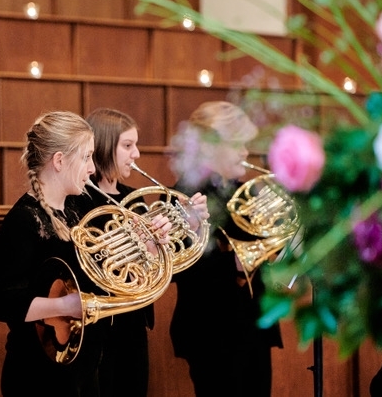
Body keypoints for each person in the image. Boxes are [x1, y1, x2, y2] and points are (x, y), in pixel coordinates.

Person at [77, 107, 209, 397]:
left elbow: (167, 267)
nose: (136, 154)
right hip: (97, 330)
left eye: (135, 145)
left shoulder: (130, 199)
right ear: (102, 146)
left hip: (133, 325)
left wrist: (192, 225)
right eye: (127, 146)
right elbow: (87, 263)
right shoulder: (79, 200)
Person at [0, 111, 106, 397]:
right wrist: (65, 306)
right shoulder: (23, 220)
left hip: (82, 369)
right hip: (37, 375)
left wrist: (148, 245)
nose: (92, 169)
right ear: (60, 161)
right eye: (86, 157)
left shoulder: (80, 209)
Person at [168, 101, 283, 397]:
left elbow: (264, 251)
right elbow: (178, 267)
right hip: (211, 332)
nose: (246, 153)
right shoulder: (183, 195)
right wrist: (232, 263)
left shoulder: (243, 191)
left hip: (252, 325)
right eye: (238, 144)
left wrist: (278, 244)